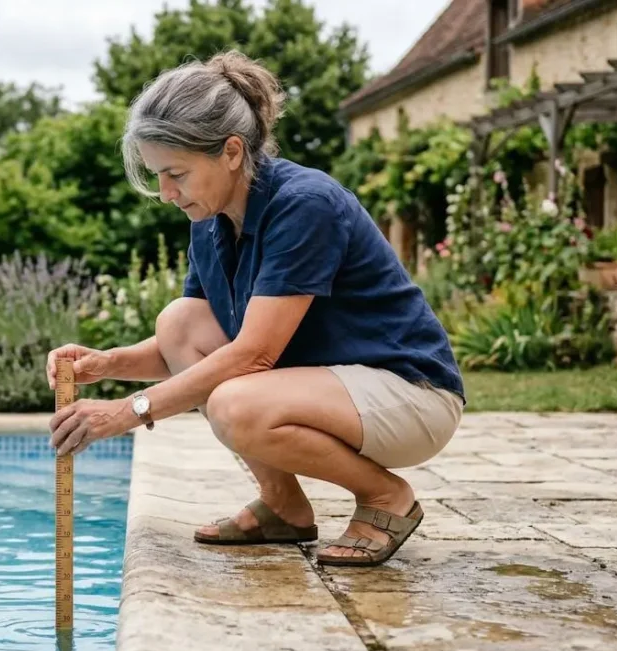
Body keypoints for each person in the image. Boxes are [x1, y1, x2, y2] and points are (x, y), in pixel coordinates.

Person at [46, 49, 465, 567]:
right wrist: (107, 364)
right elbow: (193, 346)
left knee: (235, 404)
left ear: (232, 151)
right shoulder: (210, 220)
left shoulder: (304, 203)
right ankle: (283, 507)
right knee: (179, 320)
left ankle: (385, 498)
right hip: (331, 386)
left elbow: (254, 355)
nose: (166, 192)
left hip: (410, 393)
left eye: (176, 173)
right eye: (158, 175)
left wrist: (128, 412)